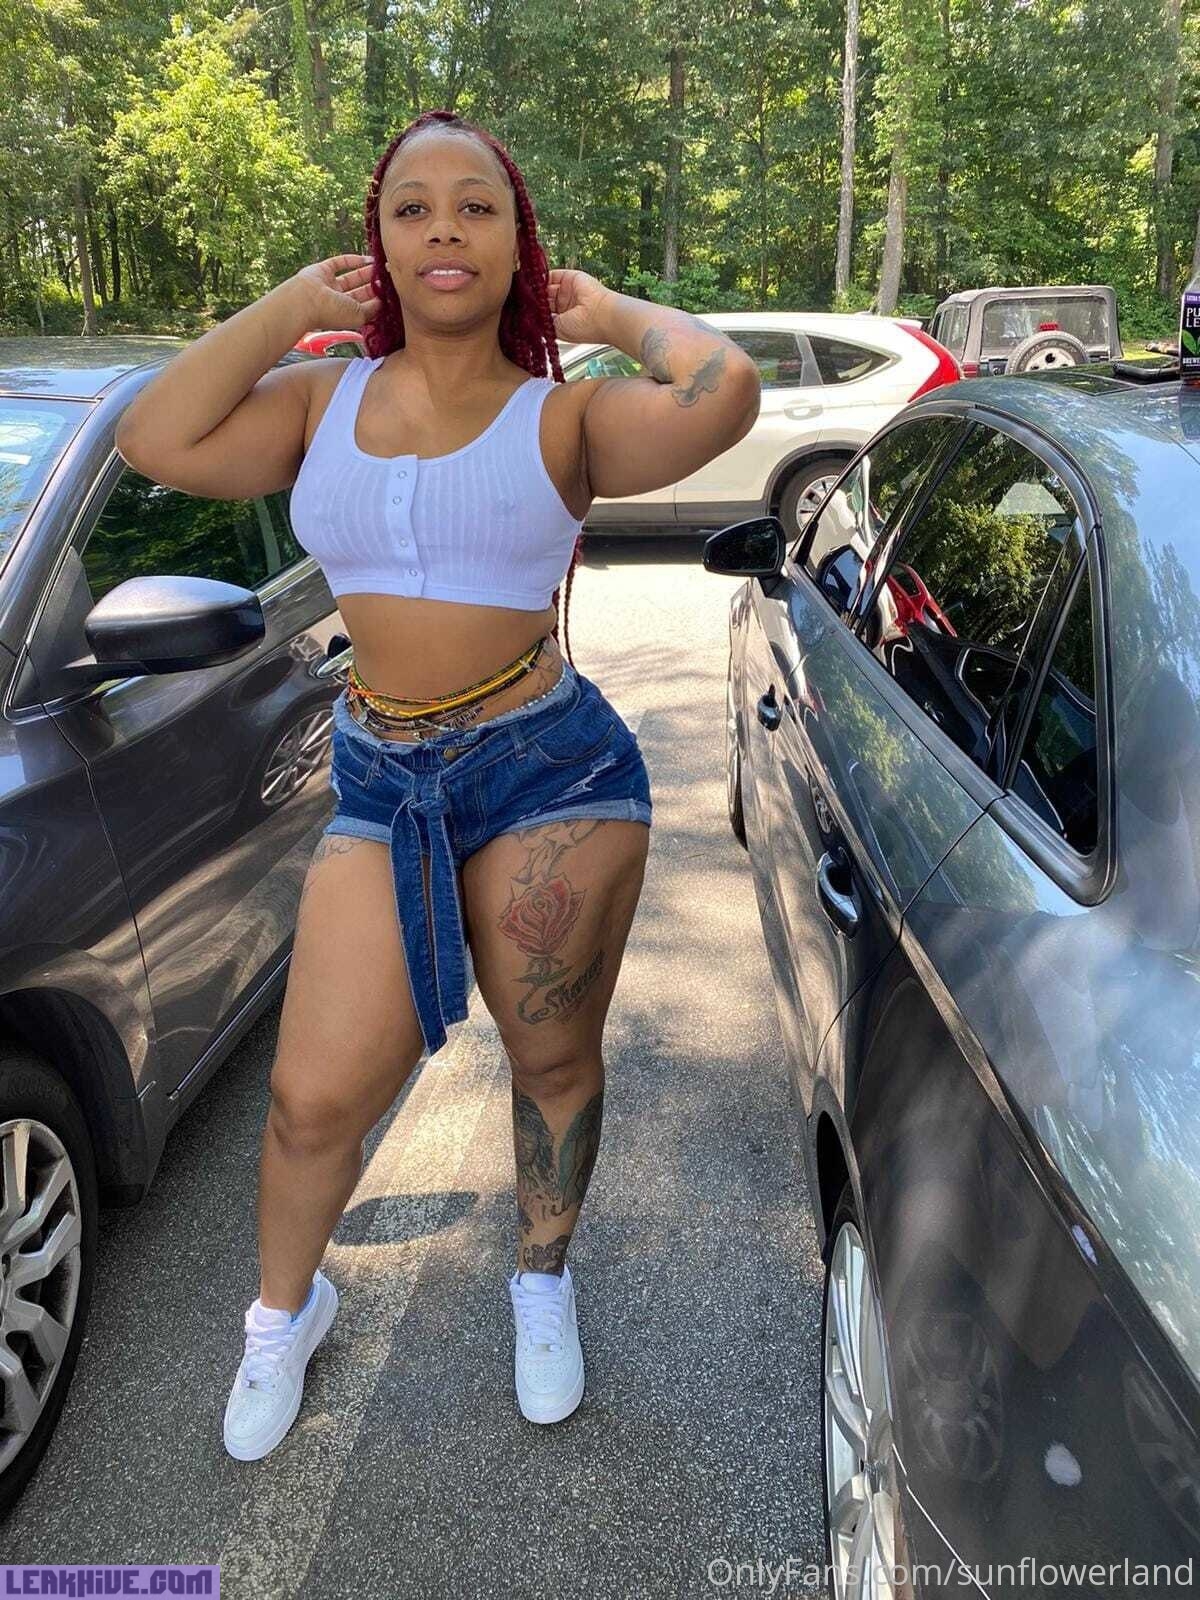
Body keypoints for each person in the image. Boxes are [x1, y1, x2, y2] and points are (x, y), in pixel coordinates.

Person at [115, 107, 760, 1460]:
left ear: (519, 245)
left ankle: (541, 1278)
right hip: (380, 779)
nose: (444, 229)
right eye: (412, 208)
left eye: (478, 205)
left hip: (548, 772)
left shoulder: (566, 415)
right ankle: (283, 1316)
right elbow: (156, 438)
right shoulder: (319, 403)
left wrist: (607, 311)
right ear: (381, 244)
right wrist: (293, 308)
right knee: (311, 1098)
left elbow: (724, 391)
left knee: (551, 1057)